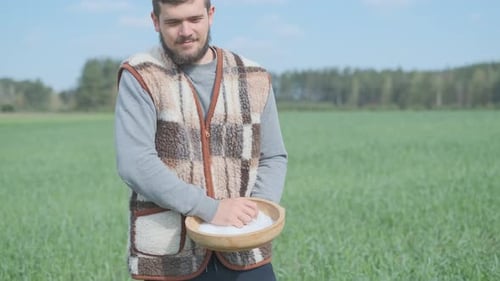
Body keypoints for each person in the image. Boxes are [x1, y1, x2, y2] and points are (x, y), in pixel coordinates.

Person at [114, 0, 287, 280]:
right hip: (169, 259)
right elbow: (135, 162)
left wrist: (254, 215)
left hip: (247, 256)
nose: (186, 31)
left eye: (195, 19)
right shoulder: (140, 75)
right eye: (173, 22)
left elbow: (273, 156)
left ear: (211, 15)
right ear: (155, 21)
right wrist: (211, 209)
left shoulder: (254, 76)